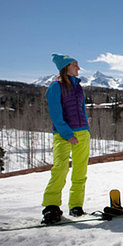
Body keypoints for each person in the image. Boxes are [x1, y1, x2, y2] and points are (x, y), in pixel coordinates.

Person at [42, 53, 91, 224]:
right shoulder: (55, 87)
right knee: (60, 169)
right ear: (66, 67)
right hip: (63, 134)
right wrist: (68, 134)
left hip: (83, 133)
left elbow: (82, 111)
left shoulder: (78, 86)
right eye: (75, 64)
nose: (78, 67)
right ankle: (51, 207)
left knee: (80, 172)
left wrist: (86, 130)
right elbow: (56, 115)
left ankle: (76, 205)